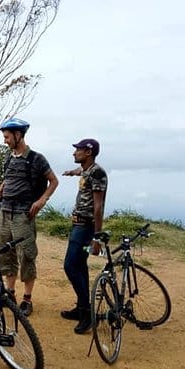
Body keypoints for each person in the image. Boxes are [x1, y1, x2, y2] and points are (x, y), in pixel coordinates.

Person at [0, 117, 58, 316]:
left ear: (18, 135)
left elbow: (53, 181)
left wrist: (42, 200)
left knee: (26, 254)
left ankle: (27, 299)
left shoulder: (37, 159)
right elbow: (7, 180)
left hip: (23, 214)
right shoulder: (9, 158)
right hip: (5, 211)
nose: (5, 141)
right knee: (5, 253)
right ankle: (10, 294)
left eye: (7, 137)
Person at [61, 138, 108, 334]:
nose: (74, 153)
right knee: (80, 266)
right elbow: (82, 172)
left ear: (88, 152)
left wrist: (97, 237)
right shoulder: (88, 170)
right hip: (78, 224)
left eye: (78, 150)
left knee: (70, 266)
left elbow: (98, 207)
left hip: (85, 227)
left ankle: (87, 313)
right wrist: (72, 172)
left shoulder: (97, 173)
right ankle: (81, 308)